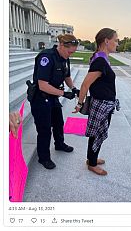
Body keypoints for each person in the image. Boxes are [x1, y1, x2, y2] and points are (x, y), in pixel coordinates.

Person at [73, 28, 119, 176]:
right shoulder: (100, 60)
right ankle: (92, 163)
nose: (117, 43)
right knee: (97, 134)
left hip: (104, 104)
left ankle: (91, 158)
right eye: (116, 40)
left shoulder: (101, 58)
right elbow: (85, 84)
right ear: (106, 40)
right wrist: (79, 104)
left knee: (97, 133)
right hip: (101, 105)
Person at [30, 34, 79, 169]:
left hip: (52, 97)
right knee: (44, 129)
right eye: (69, 52)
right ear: (62, 46)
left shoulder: (64, 58)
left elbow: (67, 75)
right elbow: (43, 85)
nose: (70, 55)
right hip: (40, 98)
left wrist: (74, 89)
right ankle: (43, 158)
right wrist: (64, 93)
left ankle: (59, 144)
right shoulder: (46, 57)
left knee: (58, 123)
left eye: (72, 53)